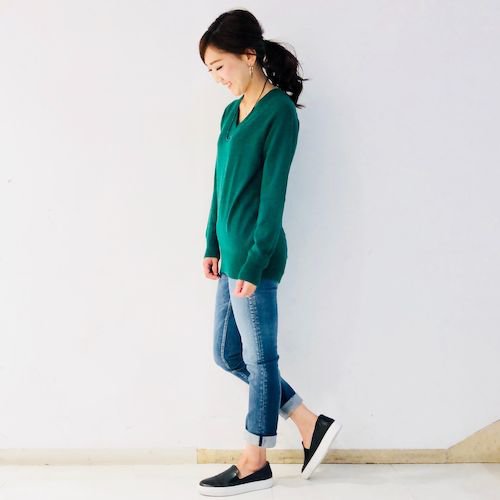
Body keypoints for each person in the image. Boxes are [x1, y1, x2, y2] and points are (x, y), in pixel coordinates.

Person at [198, 9, 342, 496]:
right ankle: (309, 421)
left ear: (248, 55)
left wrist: (255, 260)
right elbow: (220, 185)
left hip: (257, 257)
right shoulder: (230, 113)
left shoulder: (278, 112)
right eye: (210, 70)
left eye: (220, 66)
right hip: (230, 254)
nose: (217, 78)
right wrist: (211, 242)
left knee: (261, 360)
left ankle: (254, 460)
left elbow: (272, 196)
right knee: (227, 355)